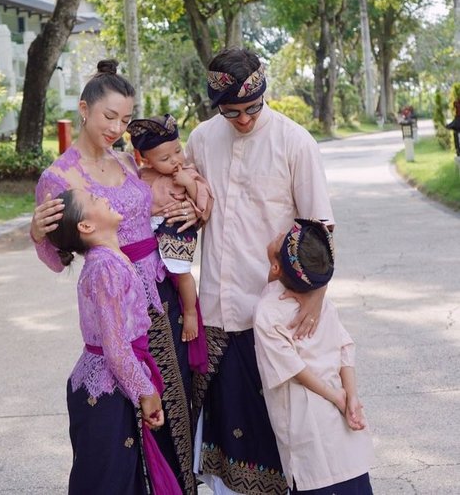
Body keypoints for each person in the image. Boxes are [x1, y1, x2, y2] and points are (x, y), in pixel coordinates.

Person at [30, 60, 198, 493]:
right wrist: (36, 234)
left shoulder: (126, 160)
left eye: (125, 120)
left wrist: (189, 207)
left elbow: (162, 195)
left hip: (164, 291)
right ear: (84, 109)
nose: (117, 128)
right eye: (109, 117)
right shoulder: (59, 178)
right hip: (120, 304)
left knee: (178, 406)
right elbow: (56, 257)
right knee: (133, 416)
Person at [185, 47, 335, 495]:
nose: (245, 120)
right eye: (232, 113)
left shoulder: (294, 142)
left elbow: (320, 232)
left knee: (285, 438)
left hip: (274, 317)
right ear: (216, 106)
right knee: (227, 432)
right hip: (218, 311)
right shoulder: (201, 140)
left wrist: (315, 298)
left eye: (252, 109)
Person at [45, 187, 181, 494]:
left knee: (119, 476)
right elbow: (115, 346)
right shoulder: (105, 267)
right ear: (86, 226)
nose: (103, 197)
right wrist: (146, 392)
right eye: (94, 200)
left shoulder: (109, 259)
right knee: (107, 480)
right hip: (106, 388)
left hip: (112, 383)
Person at [255, 219, 374, 494]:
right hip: (344, 436)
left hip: (308, 435)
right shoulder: (319, 303)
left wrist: (338, 397)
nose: (279, 232)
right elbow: (345, 347)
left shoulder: (268, 311)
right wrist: (350, 394)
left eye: (281, 238)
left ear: (276, 267)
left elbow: (293, 367)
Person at [127, 113, 213, 345]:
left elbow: (203, 201)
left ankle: (191, 313)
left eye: (178, 150)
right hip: (149, 236)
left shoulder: (188, 173)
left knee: (181, 272)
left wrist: (189, 184)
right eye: (165, 157)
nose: (176, 160)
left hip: (176, 230)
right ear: (146, 159)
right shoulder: (141, 176)